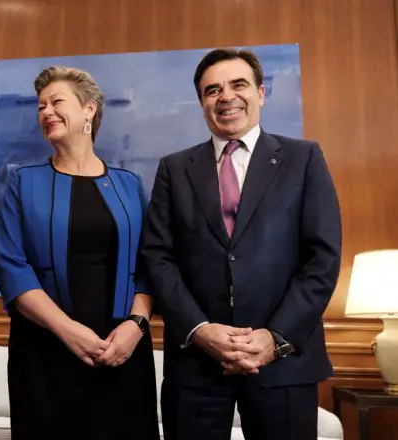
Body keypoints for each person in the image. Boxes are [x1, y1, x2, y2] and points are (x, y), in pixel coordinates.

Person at [140, 48, 342, 440]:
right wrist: (199, 329)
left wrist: (274, 338)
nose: (225, 96)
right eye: (212, 90)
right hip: (196, 364)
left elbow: (322, 258)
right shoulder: (175, 169)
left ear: (261, 93)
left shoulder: (303, 158)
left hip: (283, 363)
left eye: (238, 85)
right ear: (202, 103)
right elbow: (158, 257)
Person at [0, 66, 159, 440]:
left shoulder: (129, 184)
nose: (46, 112)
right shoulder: (23, 181)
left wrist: (136, 326)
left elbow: (151, 265)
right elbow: (11, 267)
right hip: (44, 351)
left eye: (56, 102)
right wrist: (68, 331)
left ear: (89, 110)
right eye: (40, 107)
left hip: (123, 349)